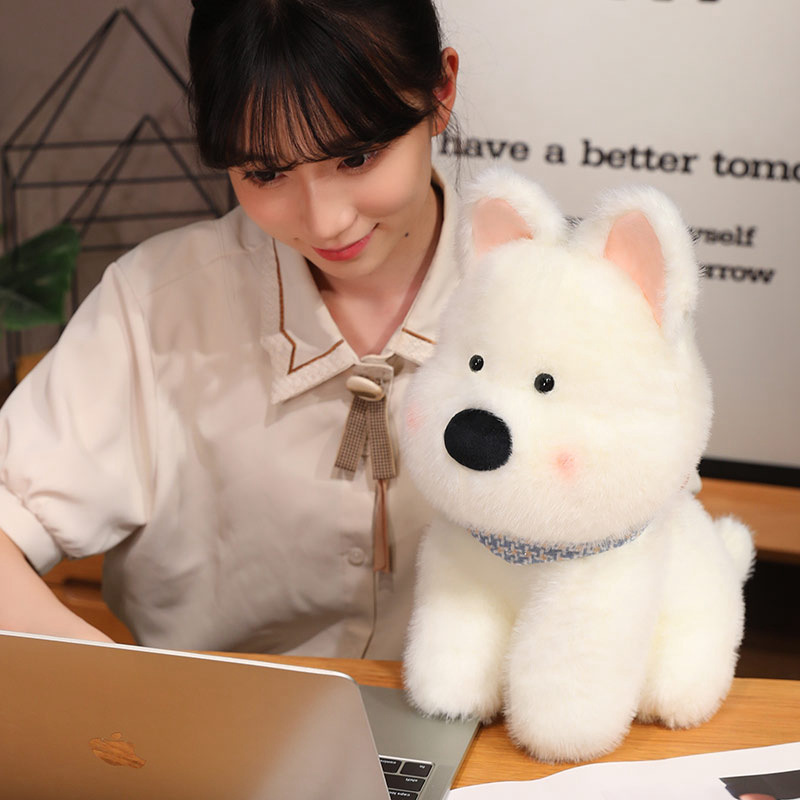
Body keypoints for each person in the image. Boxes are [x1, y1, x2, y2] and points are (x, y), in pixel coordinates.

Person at [0, 0, 460, 658]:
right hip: (213, 741)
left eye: (356, 157)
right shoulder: (157, 304)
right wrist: (134, 697)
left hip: (506, 743)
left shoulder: (556, 288)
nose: (324, 222)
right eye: (266, 173)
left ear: (440, 91)